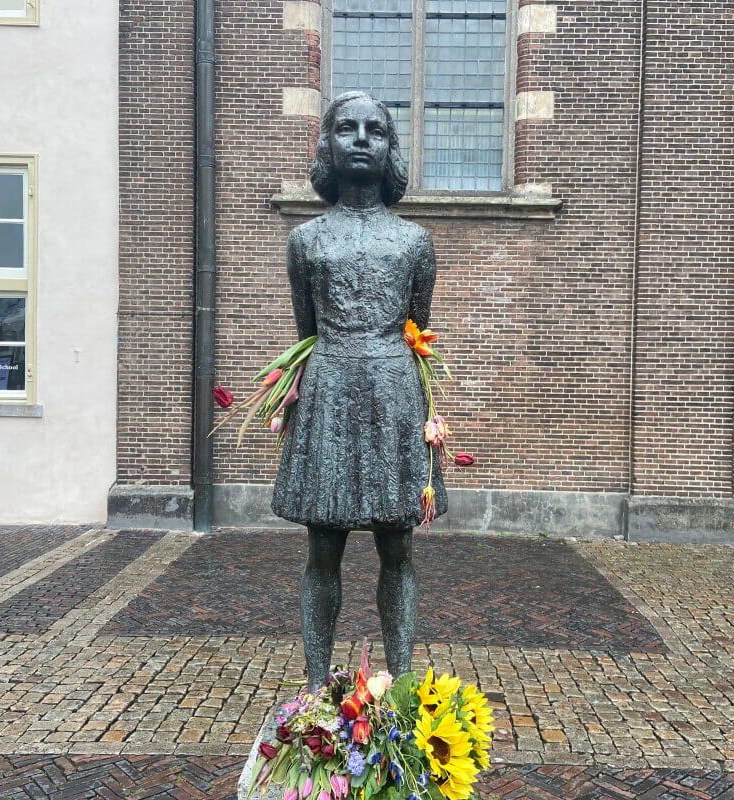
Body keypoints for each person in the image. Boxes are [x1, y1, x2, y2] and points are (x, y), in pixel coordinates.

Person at [271, 91, 448, 689]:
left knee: (397, 549)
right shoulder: (306, 241)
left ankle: (400, 687)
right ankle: (317, 687)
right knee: (324, 549)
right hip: (328, 392)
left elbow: (414, 325)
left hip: (395, 394)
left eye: (376, 129)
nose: (363, 138)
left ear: (390, 147)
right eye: (347, 128)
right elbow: (308, 330)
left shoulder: (414, 242)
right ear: (327, 144)